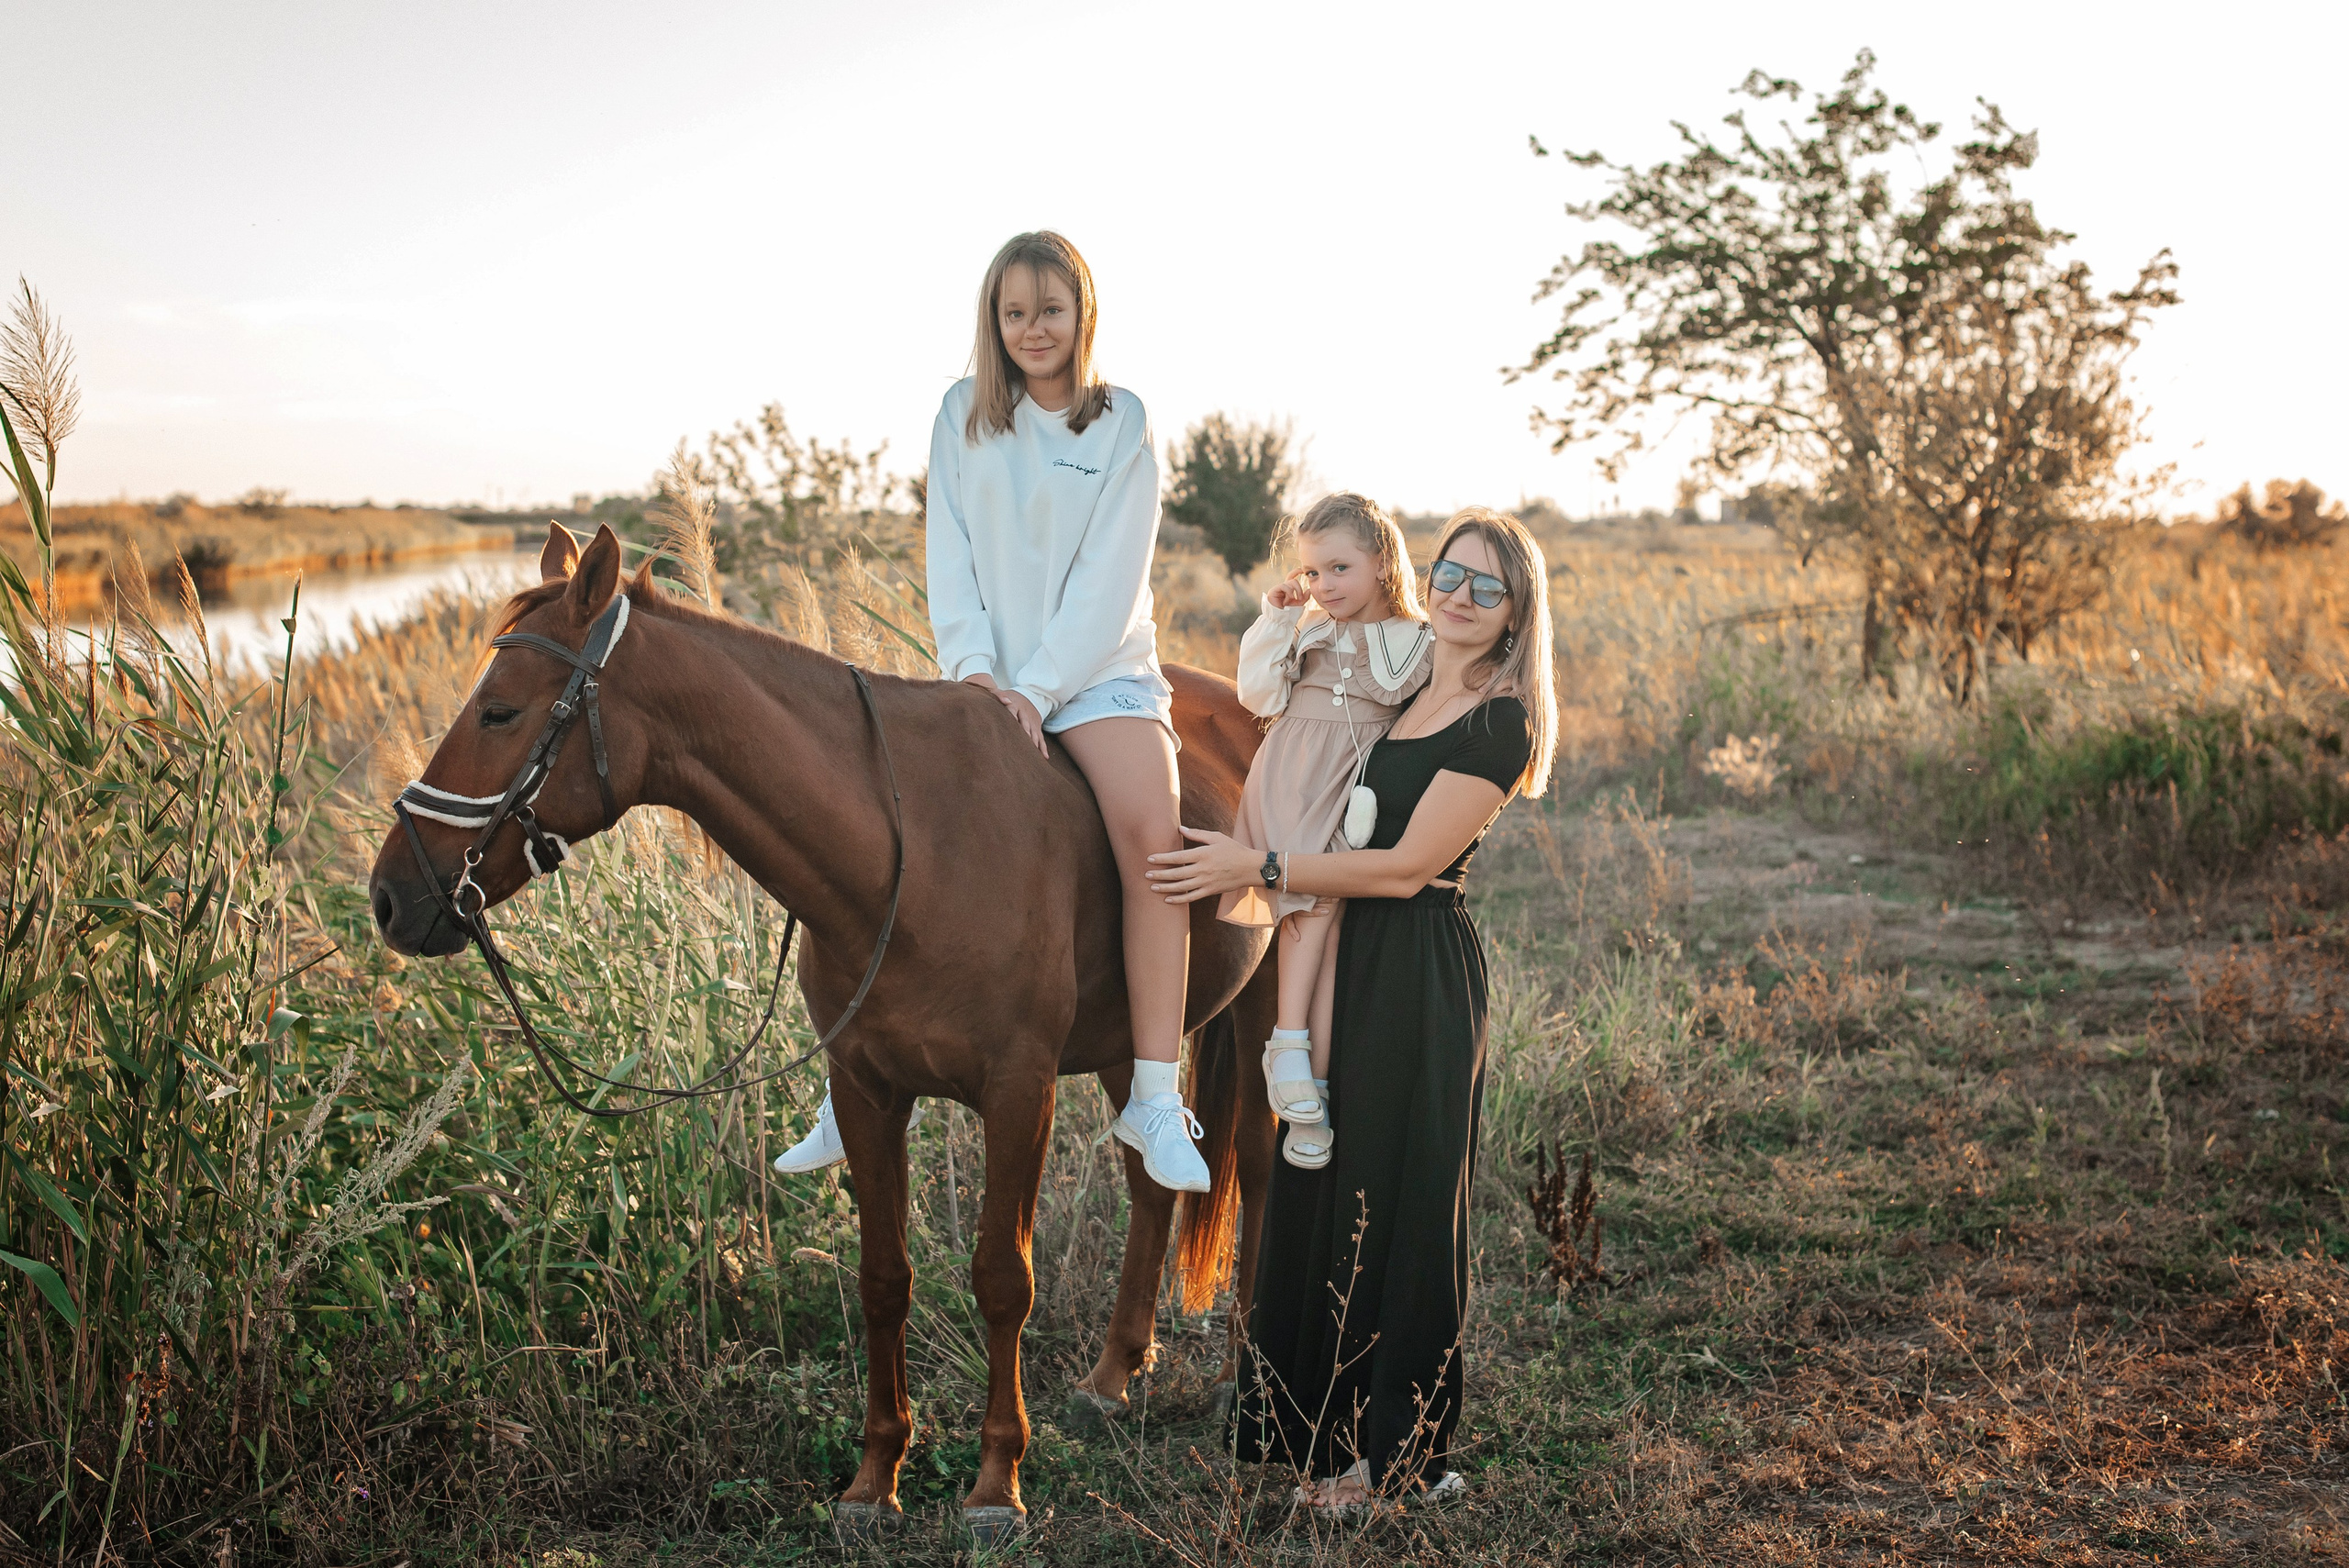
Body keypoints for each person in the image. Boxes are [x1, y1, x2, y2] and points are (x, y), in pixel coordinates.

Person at [774, 230, 1209, 1194]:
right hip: (977, 676)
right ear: (993, 321)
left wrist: (1039, 689)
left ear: (1081, 316)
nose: (1032, 329)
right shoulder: (960, 416)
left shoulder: (1121, 422)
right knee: (873, 836)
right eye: (1014, 313)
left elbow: (1109, 579)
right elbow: (950, 553)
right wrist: (974, 673)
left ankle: (1150, 1091)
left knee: (1156, 844)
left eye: (1050, 310)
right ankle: (844, 1080)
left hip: (1096, 677)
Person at [1147, 507, 1559, 1507]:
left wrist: (1261, 864)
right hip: (1340, 946)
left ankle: (1400, 1460)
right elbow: (1307, 709)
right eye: (1452, 575)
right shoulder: (1409, 675)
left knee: (1400, 1202)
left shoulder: (1499, 720)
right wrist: (1290, 612)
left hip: (1414, 964)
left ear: (1515, 615)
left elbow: (1413, 862)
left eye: (1486, 588)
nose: (1460, 597)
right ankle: (1322, 1440)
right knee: (1316, 1186)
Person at [1219, 493, 1431, 1169]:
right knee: (1314, 909)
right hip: (1296, 777)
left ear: (1382, 561)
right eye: (1311, 572)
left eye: (1338, 568)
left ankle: (1310, 1085)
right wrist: (1277, 617)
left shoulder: (1415, 641)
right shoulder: (1306, 629)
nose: (1323, 586)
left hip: (1358, 792)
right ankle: (1288, 1049)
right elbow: (1256, 696)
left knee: (1328, 925)